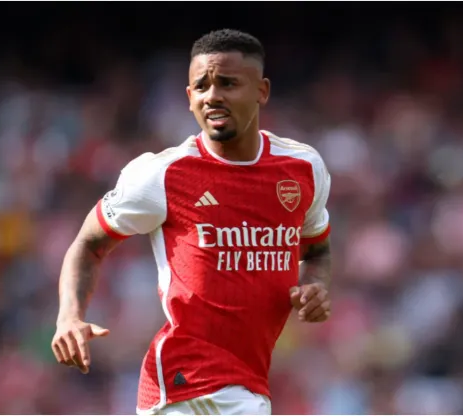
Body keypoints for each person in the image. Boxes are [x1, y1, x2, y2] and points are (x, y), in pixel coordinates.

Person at [51, 28, 333, 415]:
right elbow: (88, 244)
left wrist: (314, 284)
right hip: (190, 384)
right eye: (201, 86)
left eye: (228, 83)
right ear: (189, 98)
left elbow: (316, 249)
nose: (212, 96)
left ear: (261, 91)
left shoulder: (303, 169)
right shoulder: (163, 175)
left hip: (247, 384)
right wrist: (69, 316)